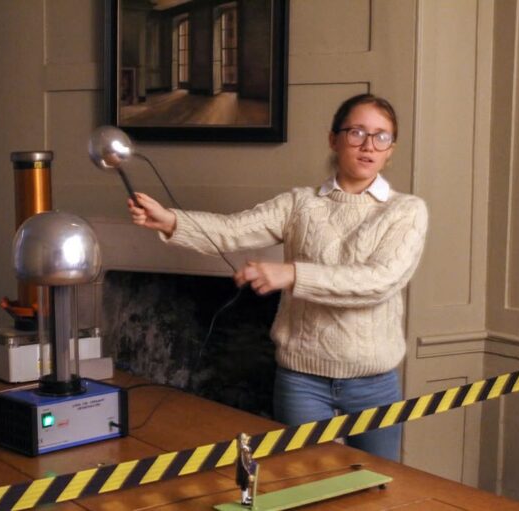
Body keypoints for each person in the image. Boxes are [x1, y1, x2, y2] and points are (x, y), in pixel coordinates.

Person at [126, 93, 428, 462]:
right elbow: (232, 231)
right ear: (333, 139)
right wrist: (171, 220)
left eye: (381, 136)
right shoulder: (300, 204)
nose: (368, 145)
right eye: (357, 132)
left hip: (374, 384)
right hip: (302, 382)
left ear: (391, 149)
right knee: (303, 484)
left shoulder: (406, 211)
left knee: (382, 488)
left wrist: (292, 274)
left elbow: (378, 282)